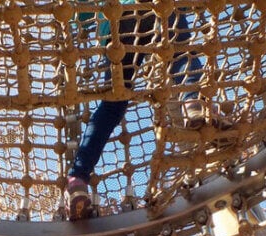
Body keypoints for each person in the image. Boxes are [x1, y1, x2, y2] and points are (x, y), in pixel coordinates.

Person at [65, 5, 225, 221]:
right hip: (159, 7)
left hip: (117, 26)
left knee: (113, 104)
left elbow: (81, 15)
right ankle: (192, 102)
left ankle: (78, 179)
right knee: (179, 52)